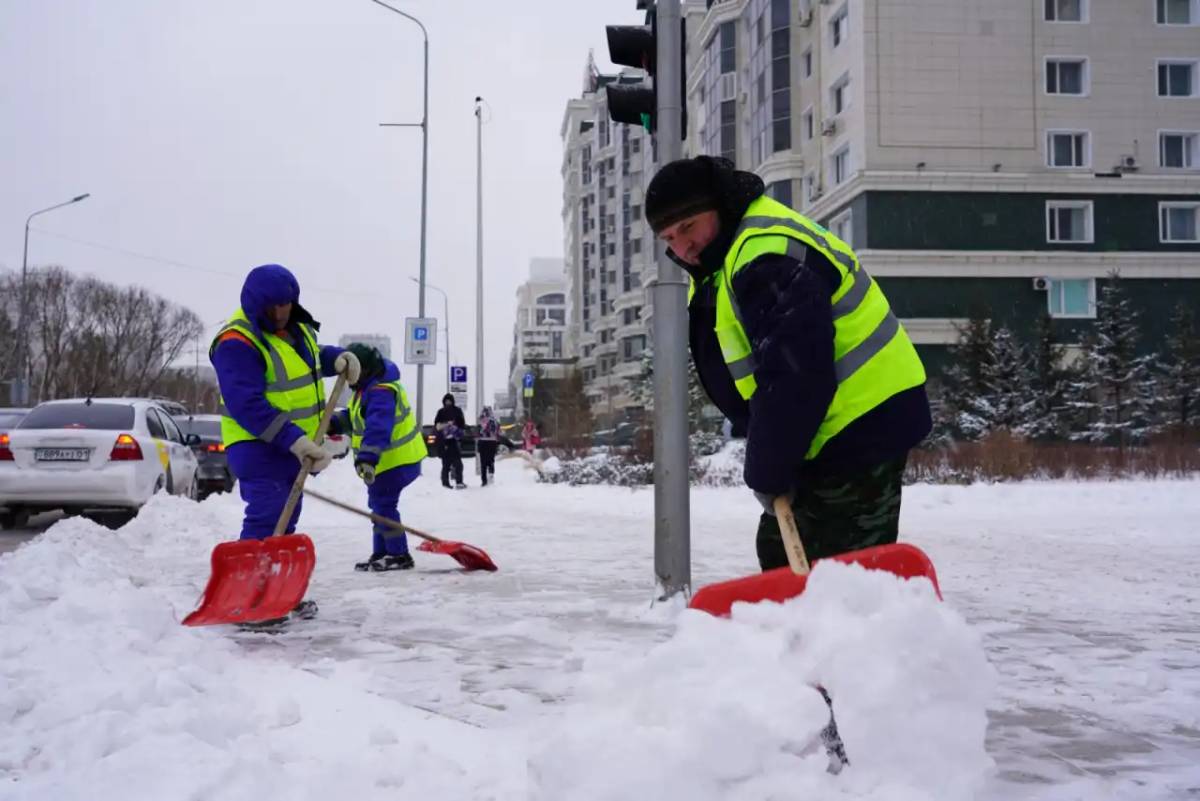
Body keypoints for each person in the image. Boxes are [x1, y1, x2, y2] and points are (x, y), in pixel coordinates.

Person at [643, 156, 932, 570]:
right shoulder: (729, 256)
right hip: (826, 429)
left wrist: (768, 469)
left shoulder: (764, 254)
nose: (681, 248)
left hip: (858, 428)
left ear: (719, 206)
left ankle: (849, 633)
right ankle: (806, 630)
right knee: (785, 554)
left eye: (688, 227)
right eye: (669, 238)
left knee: (840, 572)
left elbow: (795, 374)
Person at [210, 263, 360, 616]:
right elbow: (247, 404)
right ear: (255, 303)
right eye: (273, 306)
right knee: (267, 516)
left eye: (286, 304)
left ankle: (275, 593)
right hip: (257, 444)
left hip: (291, 446)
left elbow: (308, 357)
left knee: (286, 517)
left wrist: (335, 357)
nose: (281, 313)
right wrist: (294, 439)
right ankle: (247, 599)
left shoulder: (295, 328)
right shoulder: (236, 342)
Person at [331, 344, 425, 571]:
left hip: (396, 460)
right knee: (378, 505)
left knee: (383, 505)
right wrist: (334, 423)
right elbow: (356, 419)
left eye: (352, 373)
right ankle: (382, 552)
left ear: (364, 370)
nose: (349, 379)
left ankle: (398, 554)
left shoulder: (381, 392)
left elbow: (377, 426)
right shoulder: (367, 389)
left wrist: (367, 457)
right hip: (388, 461)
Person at [434, 393, 466, 489]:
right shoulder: (441, 411)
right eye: (446, 401)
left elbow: (461, 423)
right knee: (447, 463)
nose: (448, 402)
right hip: (446, 441)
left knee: (456, 463)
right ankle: (447, 483)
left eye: (449, 400)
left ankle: (456, 482)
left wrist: (456, 427)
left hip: (452, 440)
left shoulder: (455, 410)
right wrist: (448, 425)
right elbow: (437, 425)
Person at [476, 406, 500, 486]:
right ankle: (491, 476)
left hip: (483, 442)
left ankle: (484, 481)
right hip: (492, 442)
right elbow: (497, 432)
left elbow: (477, 433)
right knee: (491, 460)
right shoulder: (494, 421)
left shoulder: (480, 420)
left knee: (483, 463)